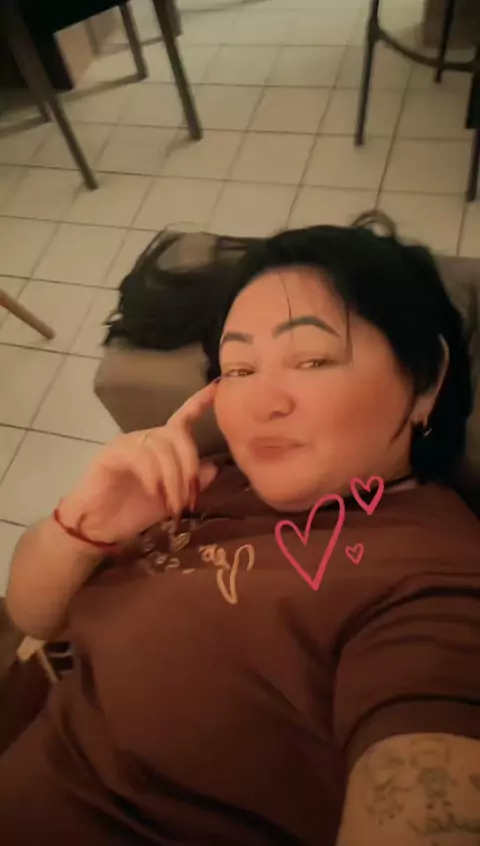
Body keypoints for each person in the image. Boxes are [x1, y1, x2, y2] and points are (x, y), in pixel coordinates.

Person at [1, 216, 480, 846]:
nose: (260, 403)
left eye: (313, 359)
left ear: (427, 380)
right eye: (239, 369)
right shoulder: (207, 478)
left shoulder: (433, 580)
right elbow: (30, 615)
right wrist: (84, 524)